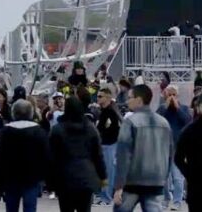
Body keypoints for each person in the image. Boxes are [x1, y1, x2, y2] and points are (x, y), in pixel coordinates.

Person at [113, 84, 172, 212]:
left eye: (130, 97)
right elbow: (169, 154)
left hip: (132, 181)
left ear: (139, 100)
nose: (127, 101)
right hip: (156, 180)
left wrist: (118, 186)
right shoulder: (164, 123)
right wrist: (164, 176)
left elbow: (123, 155)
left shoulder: (130, 122)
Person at [49, 96, 106, 212]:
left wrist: (50, 181)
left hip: (64, 177)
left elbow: (51, 157)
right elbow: (98, 155)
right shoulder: (90, 129)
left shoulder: (57, 129)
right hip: (86, 176)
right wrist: (102, 176)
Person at [0, 100, 51, 212]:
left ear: (13, 113)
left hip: (10, 177)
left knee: (11, 207)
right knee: (30, 207)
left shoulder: (6, 131)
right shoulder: (38, 131)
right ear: (31, 113)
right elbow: (46, 155)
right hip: (31, 177)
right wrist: (48, 178)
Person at [175, 95, 202, 211]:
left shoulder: (188, 130)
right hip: (196, 188)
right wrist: (190, 174)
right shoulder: (189, 131)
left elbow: (178, 159)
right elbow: (178, 158)